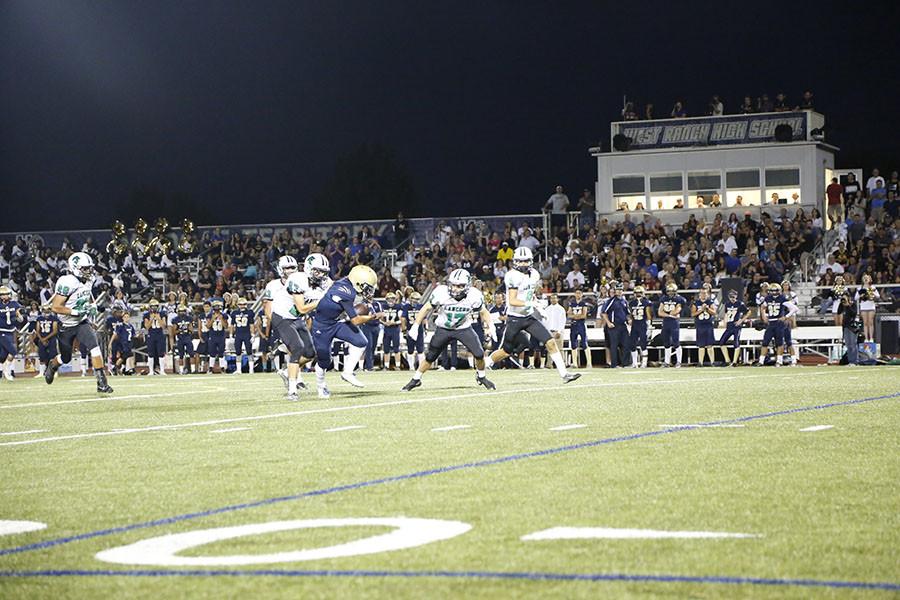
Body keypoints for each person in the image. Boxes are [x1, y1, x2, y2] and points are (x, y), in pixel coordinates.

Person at [483, 247, 580, 383]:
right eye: (520, 261)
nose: (523, 264)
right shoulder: (512, 276)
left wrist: (537, 304)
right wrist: (532, 304)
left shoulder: (534, 274)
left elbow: (530, 294)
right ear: (515, 262)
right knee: (506, 351)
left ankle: (564, 374)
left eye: (526, 261)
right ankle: (484, 365)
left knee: (550, 342)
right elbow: (512, 301)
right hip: (515, 318)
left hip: (528, 317)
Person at [401, 269, 497, 391]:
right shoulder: (442, 292)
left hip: (463, 328)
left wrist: (491, 325)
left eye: (460, 286)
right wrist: (415, 326)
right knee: (430, 357)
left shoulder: (474, 295)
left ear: (467, 286)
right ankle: (416, 379)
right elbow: (426, 308)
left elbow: (483, 311)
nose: (455, 289)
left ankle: (482, 376)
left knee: (479, 354)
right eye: (453, 285)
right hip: (444, 328)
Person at [43, 252, 113, 393]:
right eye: (85, 268)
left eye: (89, 268)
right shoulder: (67, 281)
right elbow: (55, 307)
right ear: (75, 268)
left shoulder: (89, 279)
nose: (89, 271)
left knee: (95, 348)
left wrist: (90, 307)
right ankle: (52, 364)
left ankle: (102, 383)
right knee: (66, 358)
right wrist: (75, 312)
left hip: (81, 323)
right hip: (66, 325)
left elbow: (83, 297)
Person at [311, 264, 379, 398]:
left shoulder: (347, 282)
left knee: (361, 341)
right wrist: (371, 316)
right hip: (322, 326)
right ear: (358, 283)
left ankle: (347, 372)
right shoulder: (346, 293)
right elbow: (355, 320)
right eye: (367, 287)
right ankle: (321, 385)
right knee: (325, 360)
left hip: (336, 322)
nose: (369, 291)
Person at [756, 283, 798, 367]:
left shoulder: (782, 298)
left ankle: (780, 361)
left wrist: (786, 317)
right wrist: (764, 316)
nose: (774, 293)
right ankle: (761, 361)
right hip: (771, 322)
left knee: (781, 342)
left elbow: (795, 308)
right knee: (765, 342)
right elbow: (762, 307)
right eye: (772, 291)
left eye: (775, 291)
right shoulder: (768, 298)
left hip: (780, 323)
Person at [599, 282, 629, 368]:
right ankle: (614, 364)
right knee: (614, 345)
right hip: (614, 325)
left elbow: (627, 313)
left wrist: (629, 321)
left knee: (625, 344)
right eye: (617, 290)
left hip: (623, 325)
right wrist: (608, 323)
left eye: (621, 290)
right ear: (615, 291)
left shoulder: (624, 301)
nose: (619, 292)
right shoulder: (611, 301)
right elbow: (603, 312)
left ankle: (625, 363)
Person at [658, 282, 686, 368]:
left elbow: (676, 311)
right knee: (666, 342)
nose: (670, 293)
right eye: (668, 291)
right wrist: (670, 315)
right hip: (666, 321)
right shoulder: (663, 298)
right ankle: (667, 362)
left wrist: (668, 313)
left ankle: (679, 361)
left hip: (674, 323)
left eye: (671, 291)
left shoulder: (679, 299)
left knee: (676, 342)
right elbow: (660, 312)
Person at [719, 289, 749, 367]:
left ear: (736, 296)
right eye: (730, 296)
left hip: (736, 326)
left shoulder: (740, 303)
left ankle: (735, 362)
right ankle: (727, 360)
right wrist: (724, 323)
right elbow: (726, 314)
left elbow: (748, 312)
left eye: (733, 296)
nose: (732, 298)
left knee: (736, 343)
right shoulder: (727, 304)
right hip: (729, 326)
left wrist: (741, 320)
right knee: (722, 342)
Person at [691, 285, 718, 366]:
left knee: (710, 344)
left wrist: (707, 309)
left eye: (705, 293)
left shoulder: (710, 302)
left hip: (708, 325)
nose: (703, 295)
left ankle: (712, 362)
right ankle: (700, 362)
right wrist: (701, 310)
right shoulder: (696, 303)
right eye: (702, 293)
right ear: (699, 294)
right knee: (701, 345)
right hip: (700, 325)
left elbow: (714, 313)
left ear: (707, 294)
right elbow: (693, 314)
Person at [627, 285, 653, 368]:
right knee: (632, 344)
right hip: (635, 324)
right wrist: (629, 319)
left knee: (643, 344)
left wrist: (649, 325)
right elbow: (630, 314)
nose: (638, 294)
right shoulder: (632, 303)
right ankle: (635, 363)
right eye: (636, 293)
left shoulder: (647, 302)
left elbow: (648, 315)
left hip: (643, 324)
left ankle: (644, 363)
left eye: (640, 293)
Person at [0, 286, 22, 381]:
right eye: (3, 294)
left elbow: (19, 315)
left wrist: (19, 318)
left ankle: (5, 371)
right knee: (13, 351)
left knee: (3, 355)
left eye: (6, 294)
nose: (5, 296)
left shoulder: (14, 304)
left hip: (11, 331)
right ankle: (6, 370)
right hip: (2, 331)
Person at [229, 297, 256, 375]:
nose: (242, 306)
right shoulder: (234, 313)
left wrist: (253, 334)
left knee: (249, 351)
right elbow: (232, 325)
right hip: (238, 334)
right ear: (238, 305)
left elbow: (251, 324)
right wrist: (231, 335)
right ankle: (239, 370)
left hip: (247, 334)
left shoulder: (249, 312)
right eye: (240, 304)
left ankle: (251, 369)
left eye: (244, 304)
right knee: (238, 352)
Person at [32, 303, 59, 378]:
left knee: (53, 356)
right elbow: (37, 330)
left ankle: (55, 372)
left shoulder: (54, 318)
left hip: (51, 338)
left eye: (48, 310)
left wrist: (44, 339)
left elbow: (55, 330)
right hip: (42, 338)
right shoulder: (39, 318)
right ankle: (41, 372)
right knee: (42, 355)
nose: (46, 312)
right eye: (45, 310)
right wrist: (42, 339)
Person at [143, 299, 168, 376]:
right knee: (151, 353)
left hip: (160, 334)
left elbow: (164, 326)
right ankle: (151, 371)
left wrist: (158, 318)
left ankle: (162, 370)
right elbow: (147, 327)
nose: (154, 308)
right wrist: (151, 319)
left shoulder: (162, 313)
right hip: (151, 334)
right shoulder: (146, 314)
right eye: (152, 306)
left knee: (161, 353)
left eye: (155, 306)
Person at [567, 288, 591, 369]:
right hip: (574, 325)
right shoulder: (572, 303)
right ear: (574, 294)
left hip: (581, 324)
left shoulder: (583, 303)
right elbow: (568, 314)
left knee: (584, 343)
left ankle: (589, 363)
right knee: (573, 344)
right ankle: (575, 363)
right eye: (576, 293)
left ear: (582, 294)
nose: (578, 295)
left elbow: (584, 315)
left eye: (579, 293)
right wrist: (577, 316)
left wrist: (574, 316)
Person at [401, 290, 425, 370]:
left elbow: (424, 318)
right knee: (410, 350)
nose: (415, 301)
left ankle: (421, 367)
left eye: (417, 299)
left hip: (419, 330)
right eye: (414, 299)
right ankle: (411, 366)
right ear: (410, 299)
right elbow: (403, 318)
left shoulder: (421, 306)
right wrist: (404, 330)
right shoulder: (406, 307)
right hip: (410, 330)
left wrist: (426, 328)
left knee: (420, 349)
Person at [380, 292, 403, 370]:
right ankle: (386, 366)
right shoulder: (383, 307)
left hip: (395, 329)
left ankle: (398, 365)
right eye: (389, 299)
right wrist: (384, 323)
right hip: (387, 329)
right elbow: (380, 318)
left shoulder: (398, 307)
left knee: (396, 348)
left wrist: (394, 322)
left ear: (395, 299)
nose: (390, 300)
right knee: (386, 348)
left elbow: (402, 320)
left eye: (392, 299)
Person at [171, 304, 196, 375]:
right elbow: (174, 332)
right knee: (180, 355)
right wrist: (180, 330)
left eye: (183, 311)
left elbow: (192, 330)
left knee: (191, 354)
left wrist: (188, 329)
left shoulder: (189, 318)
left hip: (187, 337)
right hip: (180, 338)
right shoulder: (175, 319)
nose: (182, 313)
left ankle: (193, 369)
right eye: (180, 311)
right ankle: (181, 370)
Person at [837, 288, 859, 366]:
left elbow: (854, 313)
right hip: (845, 327)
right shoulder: (842, 305)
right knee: (848, 345)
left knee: (853, 344)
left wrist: (848, 305)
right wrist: (841, 303)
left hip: (852, 327)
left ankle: (855, 361)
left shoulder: (853, 304)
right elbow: (838, 312)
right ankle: (850, 361)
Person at [856, 274, 880, 343]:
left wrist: (872, 292)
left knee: (870, 322)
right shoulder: (860, 288)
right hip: (863, 307)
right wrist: (861, 295)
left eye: (867, 278)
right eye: (864, 278)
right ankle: (866, 338)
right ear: (862, 280)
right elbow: (855, 298)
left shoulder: (872, 287)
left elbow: (878, 296)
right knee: (865, 323)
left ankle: (871, 338)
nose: (866, 279)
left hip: (871, 306)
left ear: (870, 279)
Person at [206, 300, 229, 374]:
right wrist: (213, 319)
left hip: (221, 336)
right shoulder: (210, 315)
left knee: (221, 352)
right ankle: (210, 368)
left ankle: (222, 368)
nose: (217, 309)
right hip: (213, 336)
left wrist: (221, 318)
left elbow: (226, 326)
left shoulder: (224, 315)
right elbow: (208, 326)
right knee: (212, 352)